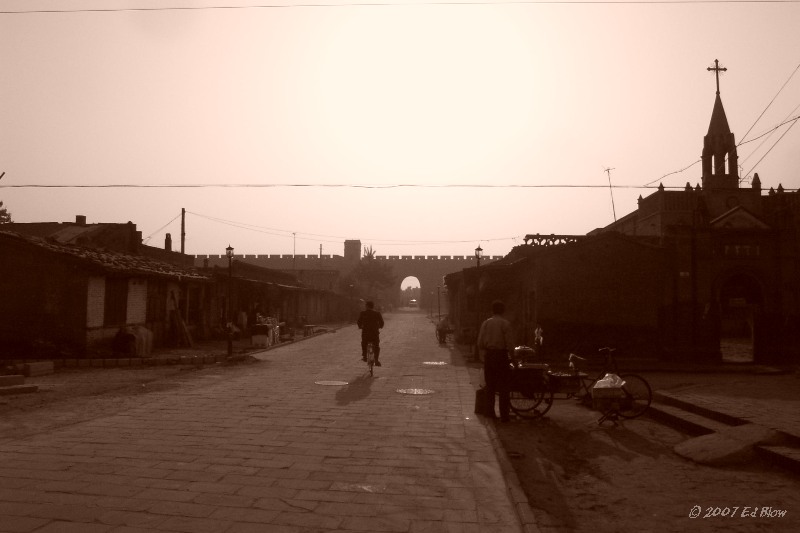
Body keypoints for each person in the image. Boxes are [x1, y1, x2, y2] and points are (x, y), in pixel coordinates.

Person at [477, 300, 515, 422]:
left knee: (490, 386)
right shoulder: (505, 324)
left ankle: (490, 413)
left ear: (492, 311)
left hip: (489, 356)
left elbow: (480, 343)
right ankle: (504, 415)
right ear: (503, 311)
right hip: (501, 356)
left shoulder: (486, 323)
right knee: (504, 387)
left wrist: (484, 354)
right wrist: (513, 358)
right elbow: (510, 344)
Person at [357, 300, 385, 366]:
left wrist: (360, 327)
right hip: (374, 334)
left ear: (366, 306)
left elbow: (359, 322)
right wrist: (380, 326)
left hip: (365, 333)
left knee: (364, 343)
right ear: (373, 306)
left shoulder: (363, 313)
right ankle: (376, 360)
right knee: (377, 346)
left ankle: (364, 356)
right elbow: (382, 323)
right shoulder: (377, 313)